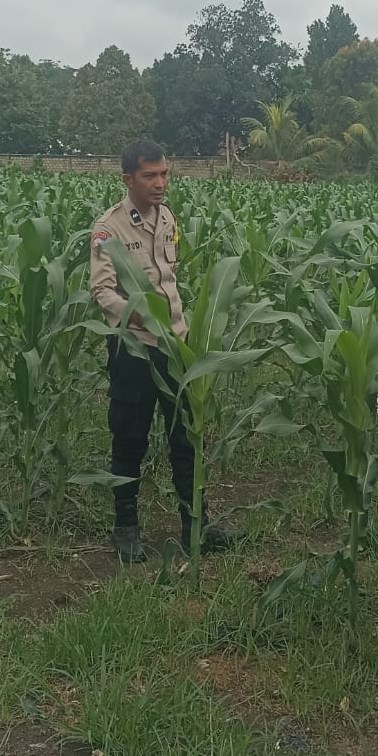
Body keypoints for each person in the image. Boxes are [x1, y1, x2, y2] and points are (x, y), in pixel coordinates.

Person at [89, 140, 235, 564]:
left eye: (164, 174)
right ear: (128, 179)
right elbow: (103, 292)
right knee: (129, 438)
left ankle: (196, 524)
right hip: (135, 349)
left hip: (176, 347)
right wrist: (142, 318)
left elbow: (168, 277)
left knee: (186, 438)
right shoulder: (109, 229)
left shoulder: (167, 217)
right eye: (150, 175)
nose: (160, 183)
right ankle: (126, 527)